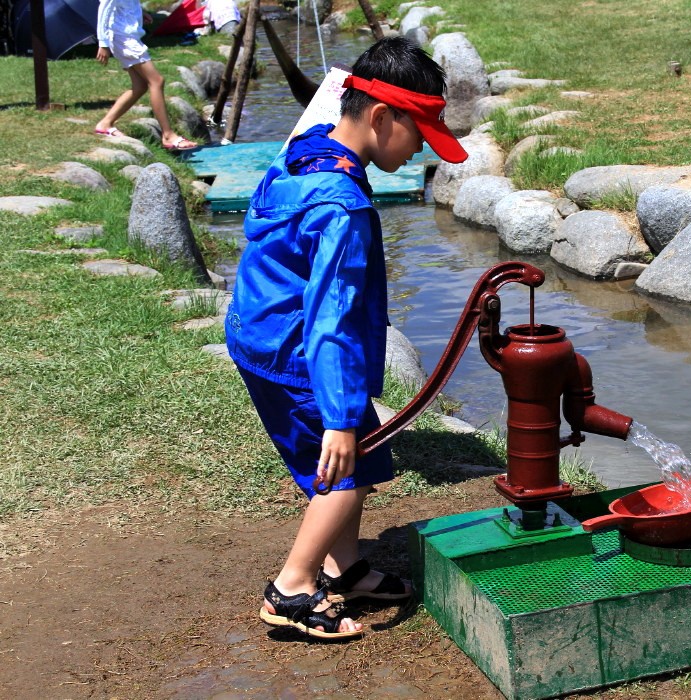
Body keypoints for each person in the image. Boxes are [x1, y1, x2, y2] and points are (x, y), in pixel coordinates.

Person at [224, 36, 468, 640]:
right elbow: (330, 319)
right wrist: (337, 417)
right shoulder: (343, 208)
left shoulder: (306, 151)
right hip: (303, 356)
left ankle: (347, 567)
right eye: (418, 135)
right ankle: (292, 589)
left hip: (260, 336)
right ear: (381, 117)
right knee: (344, 469)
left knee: (355, 455)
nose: (420, 151)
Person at [95, 0, 198, 150]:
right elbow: (104, 9)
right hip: (123, 38)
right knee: (157, 81)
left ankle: (105, 124)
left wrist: (141, 11)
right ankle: (168, 135)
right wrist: (103, 43)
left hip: (127, 36)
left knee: (140, 86)